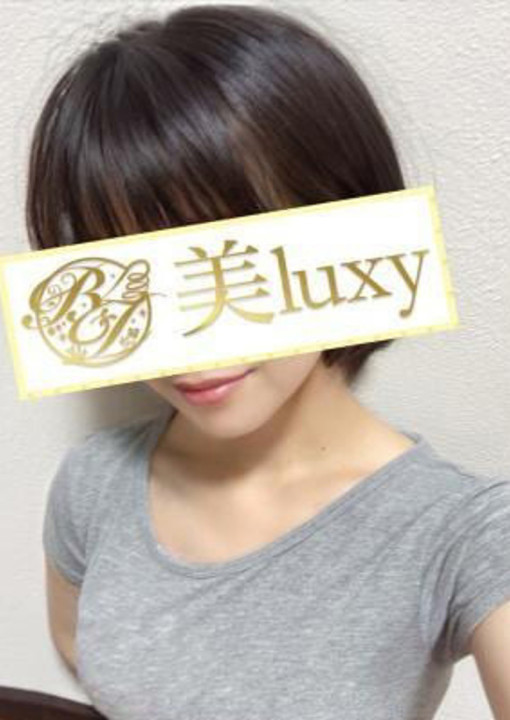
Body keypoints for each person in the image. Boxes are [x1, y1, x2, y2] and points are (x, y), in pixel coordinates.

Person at [30, 5, 510, 720]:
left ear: (353, 235)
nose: (190, 341)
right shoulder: (93, 482)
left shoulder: (464, 529)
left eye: (234, 259)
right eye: (136, 275)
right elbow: (79, 650)